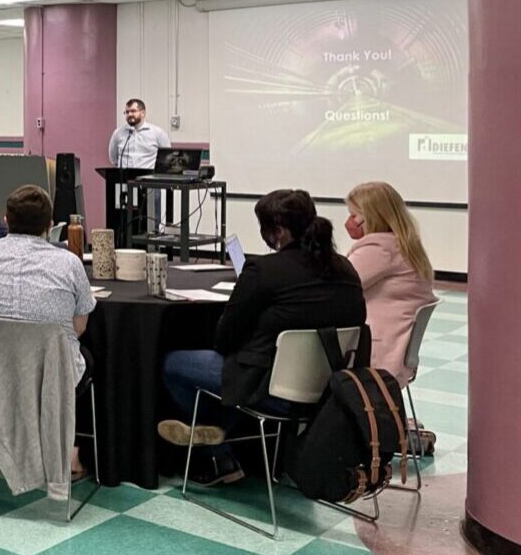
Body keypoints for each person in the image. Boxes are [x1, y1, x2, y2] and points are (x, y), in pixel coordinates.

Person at [158, 189, 365, 487]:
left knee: (172, 363)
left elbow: (224, 338)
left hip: (270, 388)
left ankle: (218, 444)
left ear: (278, 230)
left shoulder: (264, 270)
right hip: (332, 387)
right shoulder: (345, 268)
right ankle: (220, 436)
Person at [0, 185, 95, 478]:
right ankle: (73, 452)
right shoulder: (70, 263)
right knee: (87, 357)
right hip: (49, 374)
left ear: (6, 220)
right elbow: (80, 326)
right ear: (51, 226)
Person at [344, 181, 437, 385]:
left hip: (375, 350)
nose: (349, 221)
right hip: (397, 347)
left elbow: (340, 286)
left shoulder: (379, 249)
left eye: (354, 215)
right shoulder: (405, 244)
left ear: (372, 216)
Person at [108, 98, 171, 169]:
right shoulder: (118, 133)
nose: (129, 114)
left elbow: (167, 157)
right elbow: (113, 158)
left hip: (148, 178)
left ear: (143, 113)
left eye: (133, 111)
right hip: (124, 178)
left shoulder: (158, 133)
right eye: (127, 112)